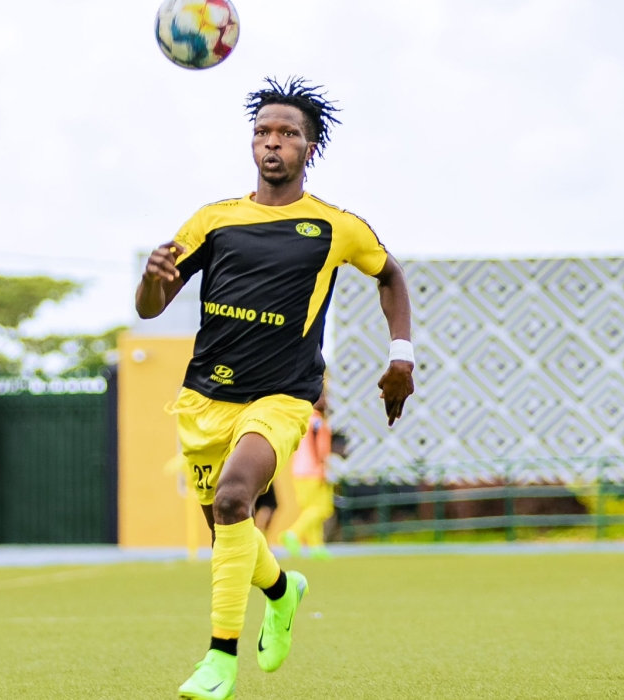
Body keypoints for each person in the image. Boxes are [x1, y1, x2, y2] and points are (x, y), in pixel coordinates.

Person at [136, 77, 416, 700]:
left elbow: (390, 275)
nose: (272, 142)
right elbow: (151, 307)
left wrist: (401, 356)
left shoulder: (336, 225)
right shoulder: (213, 221)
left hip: (284, 394)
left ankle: (219, 660)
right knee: (228, 530)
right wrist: (153, 278)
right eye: (262, 131)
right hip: (205, 396)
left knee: (237, 497)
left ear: (308, 149)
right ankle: (284, 591)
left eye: (287, 133)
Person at [281, 392, 335, 560]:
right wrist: (322, 467)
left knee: (309, 510)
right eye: (322, 398)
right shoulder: (317, 420)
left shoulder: (302, 418)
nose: (325, 401)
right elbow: (319, 447)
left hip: (298, 470)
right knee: (323, 508)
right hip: (313, 471)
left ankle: (316, 547)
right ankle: (293, 533)